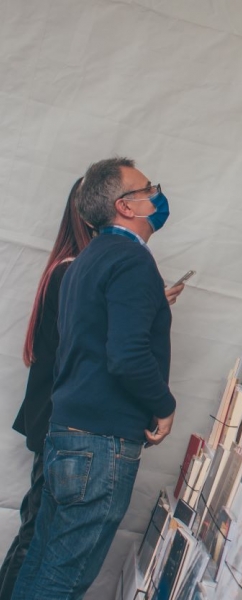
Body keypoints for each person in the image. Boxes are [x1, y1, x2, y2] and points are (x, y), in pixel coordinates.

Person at [13, 157, 181, 599]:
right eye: (149, 188)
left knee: (43, 563)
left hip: (67, 434)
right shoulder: (131, 261)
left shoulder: (86, 260)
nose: (156, 195)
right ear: (126, 206)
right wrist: (165, 406)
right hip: (100, 444)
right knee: (63, 578)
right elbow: (125, 357)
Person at [0, 179, 92, 599]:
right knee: (37, 532)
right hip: (57, 420)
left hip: (53, 417)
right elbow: (86, 344)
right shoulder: (72, 270)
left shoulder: (67, 268)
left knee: (35, 528)